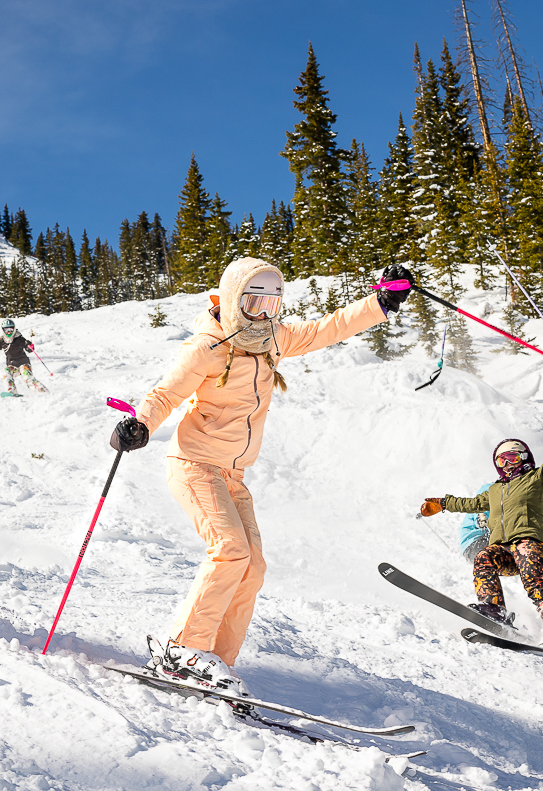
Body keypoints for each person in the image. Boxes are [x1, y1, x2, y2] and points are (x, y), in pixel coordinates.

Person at [109, 257, 414, 697]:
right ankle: (184, 650)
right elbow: (165, 393)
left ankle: (216, 660)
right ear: (235, 300)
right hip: (195, 465)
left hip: (232, 474)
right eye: (254, 302)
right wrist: (139, 423)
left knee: (252, 567)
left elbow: (328, 328)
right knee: (230, 551)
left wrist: (380, 303)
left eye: (273, 303)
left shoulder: (272, 338)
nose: (264, 313)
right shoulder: (207, 346)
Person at [419, 415, 543, 646]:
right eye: (501, 461)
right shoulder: (495, 491)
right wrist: (443, 504)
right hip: (503, 550)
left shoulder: (536, 479)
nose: (507, 465)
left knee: (536, 586)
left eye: (511, 458)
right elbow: (470, 504)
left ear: (523, 458)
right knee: (484, 557)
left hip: (529, 544)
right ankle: (494, 610)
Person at [0, 318, 46, 395]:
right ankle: (11, 392)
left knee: (26, 376)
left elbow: (27, 347)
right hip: (12, 366)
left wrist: (29, 347)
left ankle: (40, 390)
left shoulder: (18, 338)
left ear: (14, 329)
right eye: (6, 330)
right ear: (3, 330)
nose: (9, 332)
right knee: (6, 371)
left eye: (11, 330)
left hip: (24, 364)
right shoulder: (1, 341)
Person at [458, 483, 492, 565]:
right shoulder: (491, 490)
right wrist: (482, 519)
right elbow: (482, 511)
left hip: (477, 544)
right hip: (474, 542)